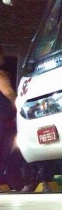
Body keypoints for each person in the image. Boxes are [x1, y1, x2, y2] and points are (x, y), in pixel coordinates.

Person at [0, 45, 20, 189]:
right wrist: (19, 104)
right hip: (3, 121)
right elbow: (8, 93)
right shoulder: (1, 74)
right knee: (5, 151)